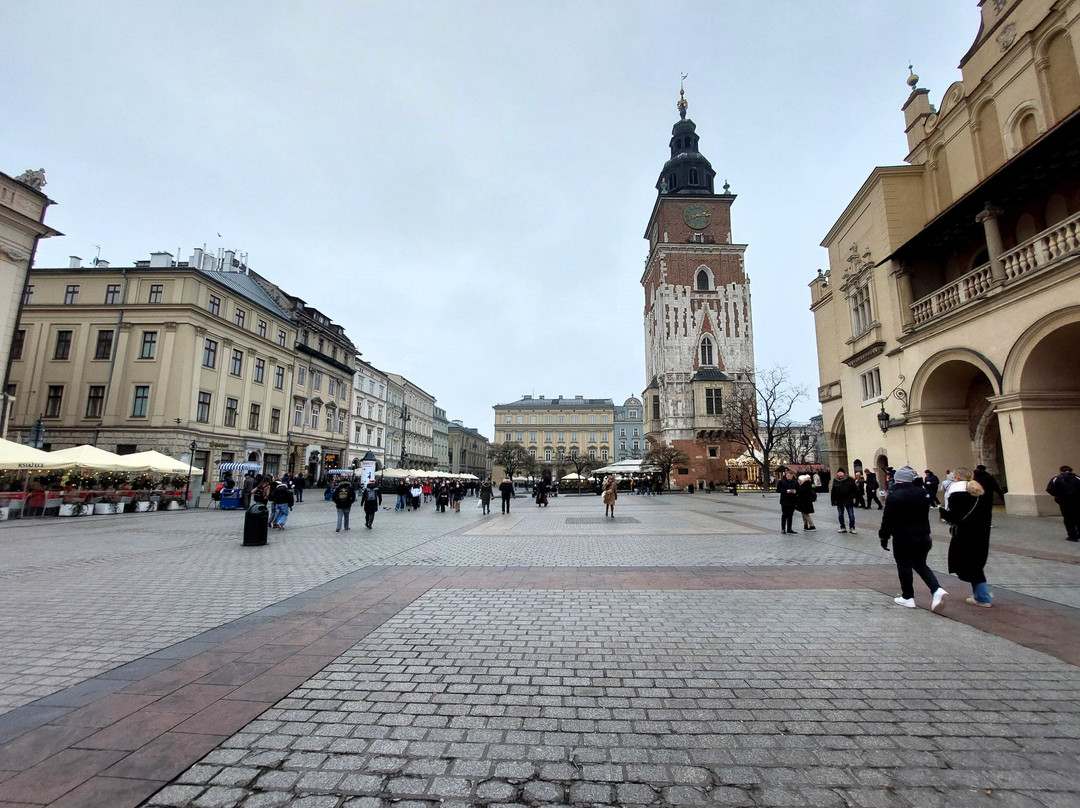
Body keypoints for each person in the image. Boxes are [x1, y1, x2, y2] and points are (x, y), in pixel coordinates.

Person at [878, 465, 948, 611]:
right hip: (923, 535)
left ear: (898, 479)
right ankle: (936, 589)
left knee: (904, 565)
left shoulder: (895, 496)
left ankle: (908, 597)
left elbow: (888, 519)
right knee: (920, 563)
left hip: (903, 537)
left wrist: (884, 537)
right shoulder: (922, 493)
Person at [939, 468, 993, 607]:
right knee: (975, 564)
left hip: (964, 534)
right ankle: (979, 595)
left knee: (971, 566)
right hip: (981, 533)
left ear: (956, 478)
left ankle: (984, 598)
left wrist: (942, 513)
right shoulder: (979, 492)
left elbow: (954, 517)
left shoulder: (956, 494)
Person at [1046, 465, 1080, 542]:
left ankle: (1072, 536)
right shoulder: (1077, 478)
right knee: (1078, 518)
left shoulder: (1056, 479)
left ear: (1061, 471)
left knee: (1068, 519)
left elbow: (1049, 489)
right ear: (1071, 471)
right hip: (1077, 502)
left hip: (1063, 503)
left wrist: (1057, 496)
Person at [830, 469, 858, 533]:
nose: (840, 474)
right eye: (839, 473)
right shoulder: (835, 481)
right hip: (839, 500)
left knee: (851, 515)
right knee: (840, 515)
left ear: (844, 473)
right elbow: (833, 491)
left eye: (841, 473)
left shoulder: (850, 480)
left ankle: (852, 528)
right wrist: (833, 501)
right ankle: (842, 527)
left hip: (848, 500)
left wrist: (852, 496)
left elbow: (855, 489)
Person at [776, 470, 798, 534]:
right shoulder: (782, 481)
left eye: (790, 476)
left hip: (792, 500)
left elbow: (798, 489)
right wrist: (786, 491)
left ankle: (789, 528)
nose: (789, 477)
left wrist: (795, 491)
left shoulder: (795, 482)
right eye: (788, 475)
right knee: (784, 515)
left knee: (790, 515)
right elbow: (778, 490)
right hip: (784, 500)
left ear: (792, 476)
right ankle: (783, 528)